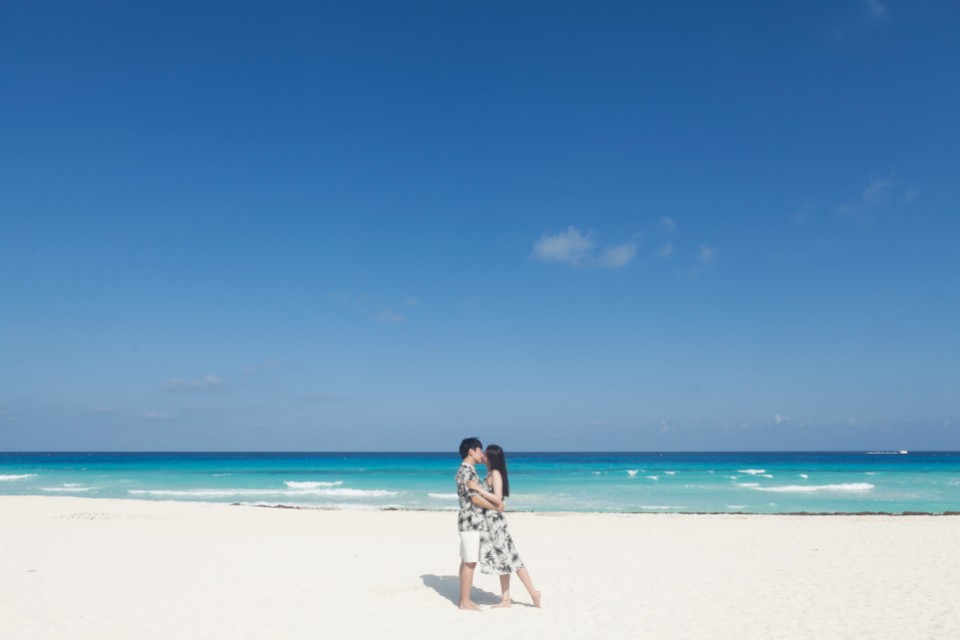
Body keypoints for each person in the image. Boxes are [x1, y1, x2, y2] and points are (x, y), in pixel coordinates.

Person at [469, 444, 542, 608]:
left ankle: (533, 593)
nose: (483, 456)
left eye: (485, 454)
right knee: (504, 560)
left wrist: (478, 489)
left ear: (491, 458)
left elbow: (497, 498)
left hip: (496, 522)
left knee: (513, 559)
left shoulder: (495, 473)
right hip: (491, 522)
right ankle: (506, 599)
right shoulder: (490, 473)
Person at [455, 437, 502, 611]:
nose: (482, 454)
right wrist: (495, 507)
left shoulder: (466, 470)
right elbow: (474, 498)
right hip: (471, 521)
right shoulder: (467, 472)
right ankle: (465, 602)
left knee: (466, 560)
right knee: (470, 562)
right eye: (480, 450)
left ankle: (464, 599)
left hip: (469, 520)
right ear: (471, 451)